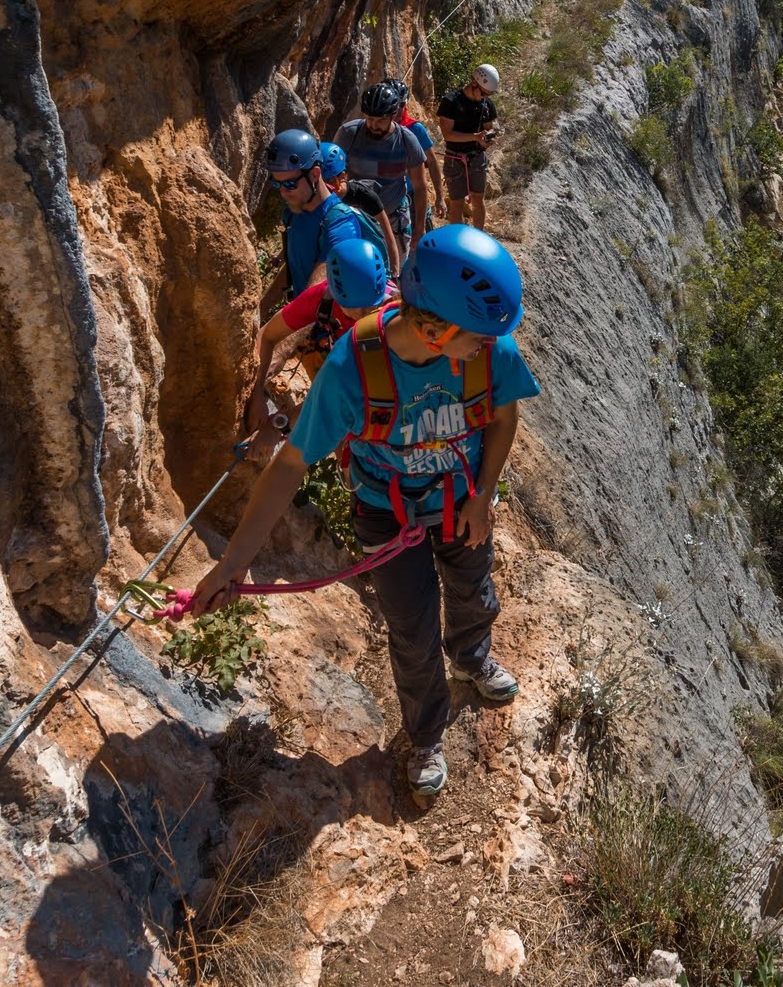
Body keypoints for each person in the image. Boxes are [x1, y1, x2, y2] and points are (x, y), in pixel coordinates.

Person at [187, 225, 539, 801]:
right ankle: (426, 735)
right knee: (411, 628)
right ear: (433, 328)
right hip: (387, 509)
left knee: (473, 590)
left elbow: (502, 418)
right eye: (477, 337)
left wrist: (483, 495)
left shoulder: (486, 345)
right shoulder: (353, 371)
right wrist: (232, 565)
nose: (492, 346)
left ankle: (472, 658)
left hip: (460, 496)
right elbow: (289, 466)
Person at [243, 238, 398, 457]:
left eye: (372, 305)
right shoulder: (321, 298)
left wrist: (278, 425)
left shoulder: (396, 316)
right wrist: (257, 391)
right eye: (355, 308)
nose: (365, 316)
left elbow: (347, 394)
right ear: (335, 294)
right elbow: (268, 336)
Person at [270, 129, 382, 298]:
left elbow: (312, 298)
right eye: (277, 183)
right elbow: (294, 267)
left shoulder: (341, 224)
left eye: (290, 183)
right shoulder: (295, 212)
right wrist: (260, 311)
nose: (283, 192)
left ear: (315, 174)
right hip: (298, 317)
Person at [336, 79, 429, 256]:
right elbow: (332, 174)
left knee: (396, 273)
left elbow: (420, 186)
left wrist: (420, 228)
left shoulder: (407, 141)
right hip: (357, 217)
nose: (373, 125)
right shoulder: (349, 134)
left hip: (394, 219)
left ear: (393, 116)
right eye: (370, 119)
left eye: (381, 120)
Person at [437, 63, 499, 233]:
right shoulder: (451, 102)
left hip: (476, 156)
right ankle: (457, 242)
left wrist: (488, 136)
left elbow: (489, 127)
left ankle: (478, 236)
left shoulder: (486, 104)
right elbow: (448, 134)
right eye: (483, 93)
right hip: (454, 158)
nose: (484, 97)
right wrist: (474, 137)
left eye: (488, 94)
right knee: (457, 203)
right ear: (474, 84)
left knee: (478, 199)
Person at [397, 102, 445, 221]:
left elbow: (432, 162)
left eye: (401, 105)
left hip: (414, 195)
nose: (398, 110)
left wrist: (439, 197)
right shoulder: (378, 130)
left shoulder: (415, 128)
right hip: (391, 196)